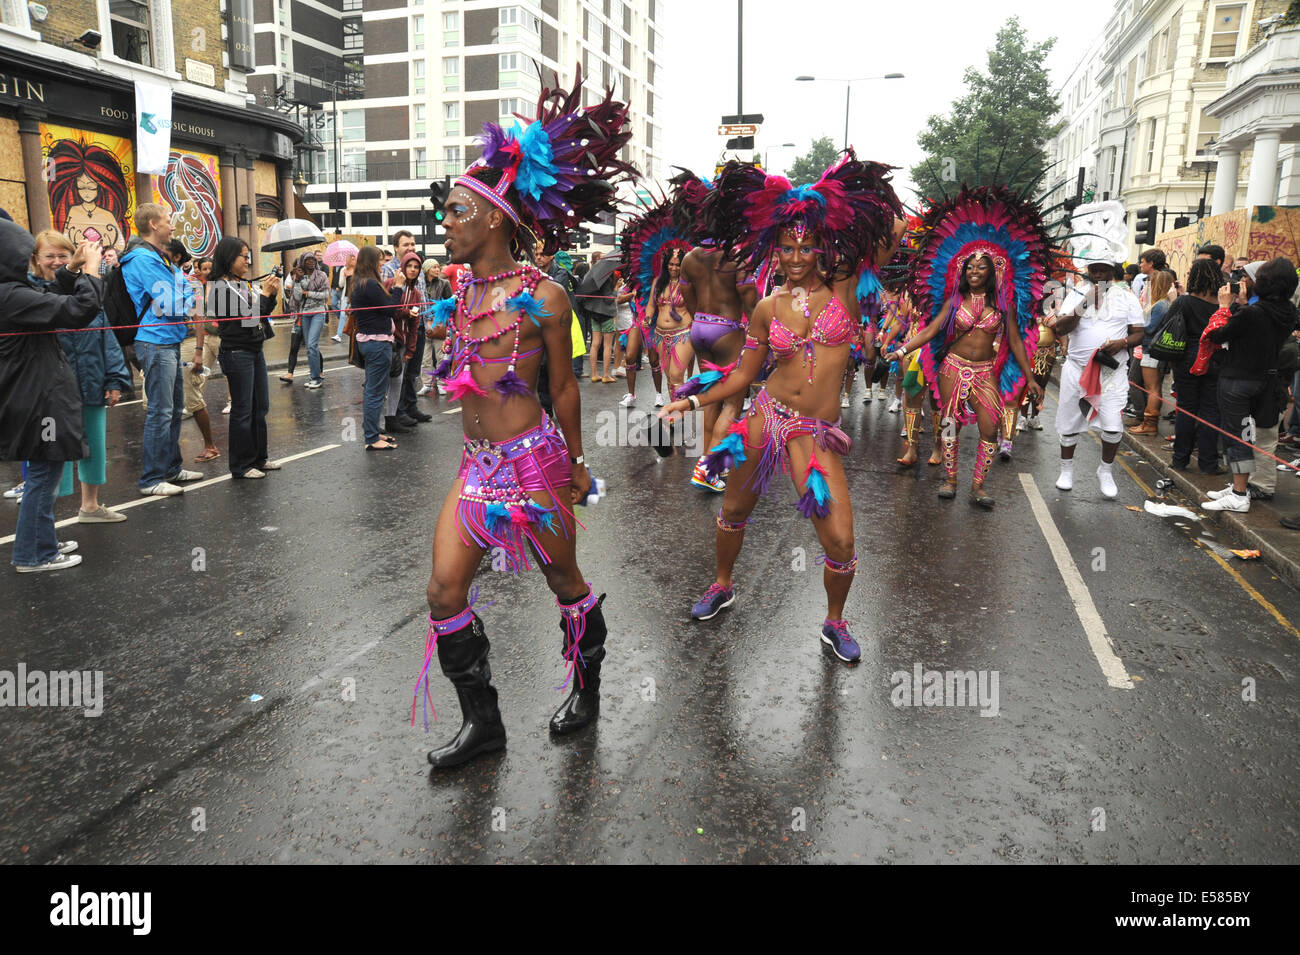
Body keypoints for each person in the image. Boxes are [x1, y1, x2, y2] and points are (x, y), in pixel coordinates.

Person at [416, 69, 633, 768]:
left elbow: (565, 389)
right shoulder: (461, 291)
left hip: (532, 464)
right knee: (443, 590)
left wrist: (575, 462)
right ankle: (486, 725)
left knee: (564, 581)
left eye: (453, 210)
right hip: (475, 469)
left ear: (492, 218)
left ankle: (586, 692)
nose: (443, 222)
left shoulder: (546, 296)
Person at [664, 151, 902, 660]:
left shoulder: (846, 293)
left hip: (813, 432)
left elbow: (893, 230)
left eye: (807, 247)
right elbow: (745, 376)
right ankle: (722, 584)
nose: (796, 258)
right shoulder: (768, 307)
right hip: (766, 418)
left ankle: (834, 622)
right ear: (777, 250)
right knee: (733, 509)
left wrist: (825, 201)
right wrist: (691, 402)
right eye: (788, 248)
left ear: (821, 248)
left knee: (839, 542)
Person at [887, 185, 1049, 506]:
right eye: (970, 267)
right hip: (953, 367)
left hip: (985, 370)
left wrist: (1030, 378)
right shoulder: (955, 299)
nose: (975, 271)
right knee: (949, 424)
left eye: (981, 267)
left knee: (990, 428)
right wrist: (903, 350)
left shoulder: (1004, 304)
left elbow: (1015, 340)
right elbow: (933, 329)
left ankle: (978, 486)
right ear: (964, 270)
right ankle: (950, 479)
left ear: (992, 272)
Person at [0, 221, 102, 571]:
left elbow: (45, 297)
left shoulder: (10, 292)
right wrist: (91, 271)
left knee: (47, 471)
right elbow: (75, 311)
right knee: (44, 474)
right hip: (37, 399)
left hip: (35, 394)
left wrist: (71, 271)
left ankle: (43, 542)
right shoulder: (10, 296)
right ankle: (33, 554)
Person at [32, 232, 131, 522]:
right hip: (50, 392)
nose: (57, 261)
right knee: (50, 450)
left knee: (94, 447)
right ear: (36, 259)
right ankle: (45, 520)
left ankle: (90, 506)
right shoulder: (32, 292)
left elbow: (107, 337)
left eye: (64, 255)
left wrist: (114, 379)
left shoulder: (86, 291)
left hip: (91, 382)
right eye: (50, 256)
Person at [1200, 258, 1299, 512]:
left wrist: (1224, 307)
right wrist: (1242, 306)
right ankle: (1237, 486)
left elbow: (1217, 335)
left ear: (1265, 283)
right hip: (1264, 380)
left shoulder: (1253, 313)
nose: (1243, 281)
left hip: (1237, 381)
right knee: (1248, 435)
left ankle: (1239, 493)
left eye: (1252, 277)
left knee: (1238, 437)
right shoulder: (1288, 312)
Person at [1040, 259, 1143, 498]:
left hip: (1110, 373)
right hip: (1076, 370)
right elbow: (1060, 329)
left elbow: (1139, 333)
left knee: (1113, 427)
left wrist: (1122, 343)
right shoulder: (1076, 294)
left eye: (1103, 270)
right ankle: (1066, 470)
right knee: (1068, 423)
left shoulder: (1127, 297)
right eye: (1093, 270)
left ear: (1112, 271)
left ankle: (1105, 471)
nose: (1097, 274)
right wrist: (1086, 302)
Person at [122, 203, 203, 496]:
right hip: (154, 341)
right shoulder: (144, 259)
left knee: (173, 409)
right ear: (154, 225)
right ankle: (151, 479)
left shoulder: (158, 258)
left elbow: (179, 293)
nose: (172, 226)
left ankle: (170, 469)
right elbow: (171, 304)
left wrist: (184, 295)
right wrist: (188, 297)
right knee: (160, 411)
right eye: (168, 221)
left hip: (168, 339)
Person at [1168, 259, 1227, 474]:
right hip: (1215, 358)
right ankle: (1208, 463)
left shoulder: (1183, 303)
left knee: (1186, 408)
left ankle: (1180, 459)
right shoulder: (1223, 305)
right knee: (1211, 411)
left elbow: (1169, 325)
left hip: (1186, 358)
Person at [349, 245, 404, 450]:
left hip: (370, 342)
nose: (384, 264)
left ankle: (374, 431)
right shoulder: (370, 284)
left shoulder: (360, 283)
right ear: (372, 262)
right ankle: (372, 438)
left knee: (375, 390)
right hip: (377, 343)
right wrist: (398, 287)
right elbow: (390, 310)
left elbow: (381, 306)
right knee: (375, 391)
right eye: (380, 260)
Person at [385, 251, 425, 432]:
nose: (413, 269)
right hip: (384, 339)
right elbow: (388, 311)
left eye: (416, 267)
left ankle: (392, 418)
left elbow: (415, 323)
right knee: (379, 382)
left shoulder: (416, 293)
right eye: (409, 266)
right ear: (403, 267)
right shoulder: (390, 284)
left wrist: (411, 348)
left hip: (402, 342)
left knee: (397, 381)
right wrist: (406, 312)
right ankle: (370, 423)